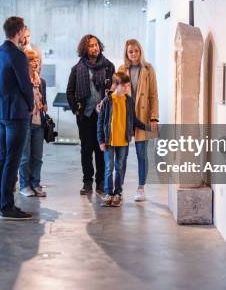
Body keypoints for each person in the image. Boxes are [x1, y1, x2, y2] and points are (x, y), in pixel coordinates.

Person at [0, 16, 34, 220]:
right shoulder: (17, 55)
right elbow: (25, 85)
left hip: (1, 112)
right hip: (16, 113)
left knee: (3, 158)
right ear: (18, 32)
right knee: (12, 161)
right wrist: (32, 104)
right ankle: (7, 206)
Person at [66, 34, 115, 196]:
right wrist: (77, 110)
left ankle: (100, 183)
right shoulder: (77, 68)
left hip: (104, 117)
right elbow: (70, 92)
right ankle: (87, 182)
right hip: (85, 117)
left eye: (96, 45)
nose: (94, 48)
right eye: (90, 45)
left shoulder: (109, 67)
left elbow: (114, 91)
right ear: (85, 49)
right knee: (86, 150)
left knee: (102, 149)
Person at [97, 72, 150, 207]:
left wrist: (148, 127)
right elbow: (100, 122)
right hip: (109, 141)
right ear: (115, 85)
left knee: (119, 167)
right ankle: (108, 193)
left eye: (128, 86)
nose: (127, 88)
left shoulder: (129, 101)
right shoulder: (107, 101)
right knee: (109, 167)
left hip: (123, 141)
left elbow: (134, 120)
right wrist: (101, 141)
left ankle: (118, 194)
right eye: (124, 86)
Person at [117, 39, 159, 202]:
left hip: (142, 116)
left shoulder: (148, 69)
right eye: (130, 51)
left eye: (135, 50)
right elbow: (116, 92)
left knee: (142, 154)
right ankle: (118, 189)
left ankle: (141, 188)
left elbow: (153, 95)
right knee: (122, 155)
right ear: (126, 53)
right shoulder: (121, 69)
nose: (133, 54)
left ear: (140, 51)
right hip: (125, 117)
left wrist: (154, 116)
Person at [18, 48, 48, 198]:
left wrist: (43, 105)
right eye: (31, 60)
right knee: (25, 156)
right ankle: (24, 185)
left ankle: (36, 183)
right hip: (25, 121)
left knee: (37, 156)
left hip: (39, 123)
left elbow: (45, 101)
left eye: (36, 59)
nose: (35, 62)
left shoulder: (41, 82)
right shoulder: (22, 81)